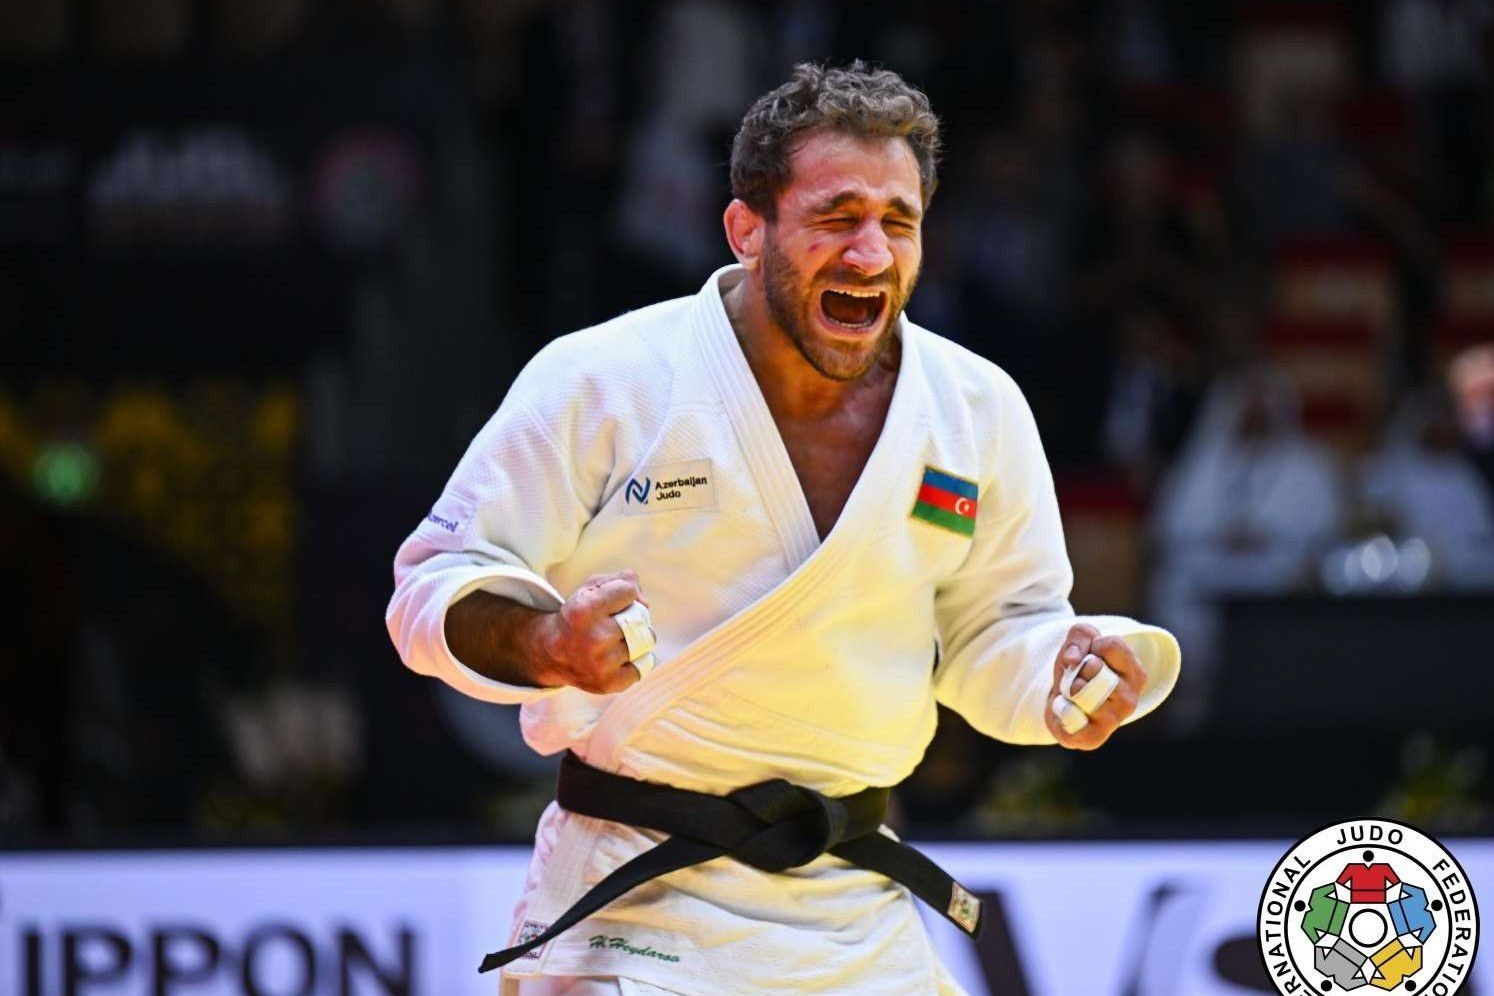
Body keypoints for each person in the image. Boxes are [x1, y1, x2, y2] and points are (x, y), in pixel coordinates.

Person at [387, 62, 1181, 996]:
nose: (871, 254)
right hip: (638, 899)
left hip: (853, 910)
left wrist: (1060, 674)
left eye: (898, 221)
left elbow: (997, 631)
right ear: (747, 229)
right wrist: (546, 643)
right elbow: (435, 580)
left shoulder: (975, 406)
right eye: (836, 217)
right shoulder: (608, 379)